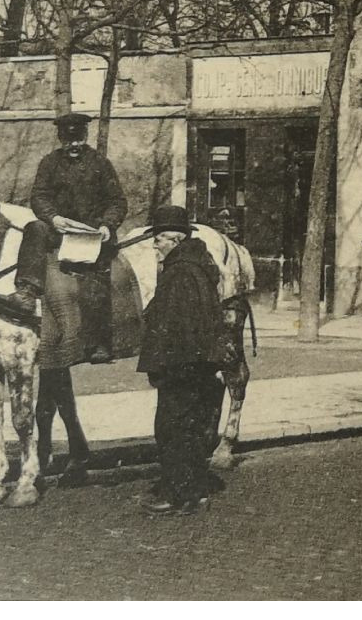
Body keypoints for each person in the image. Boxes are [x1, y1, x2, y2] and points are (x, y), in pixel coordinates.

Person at [6, 113, 128, 361]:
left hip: (92, 233)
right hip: (61, 230)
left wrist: (107, 225)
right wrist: (53, 218)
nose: (73, 146)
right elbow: (39, 196)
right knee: (34, 228)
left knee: (95, 278)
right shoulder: (49, 163)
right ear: (61, 139)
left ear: (84, 137)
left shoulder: (100, 164)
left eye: (77, 140)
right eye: (68, 140)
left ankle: (98, 343)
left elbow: (117, 201)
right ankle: (26, 291)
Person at [136, 205, 226, 515]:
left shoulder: (180, 272)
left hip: (181, 368)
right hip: (195, 366)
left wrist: (165, 367)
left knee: (171, 429)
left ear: (174, 239)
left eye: (158, 239)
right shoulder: (195, 266)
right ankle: (193, 493)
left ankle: (179, 494)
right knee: (188, 428)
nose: (155, 245)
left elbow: (180, 324)